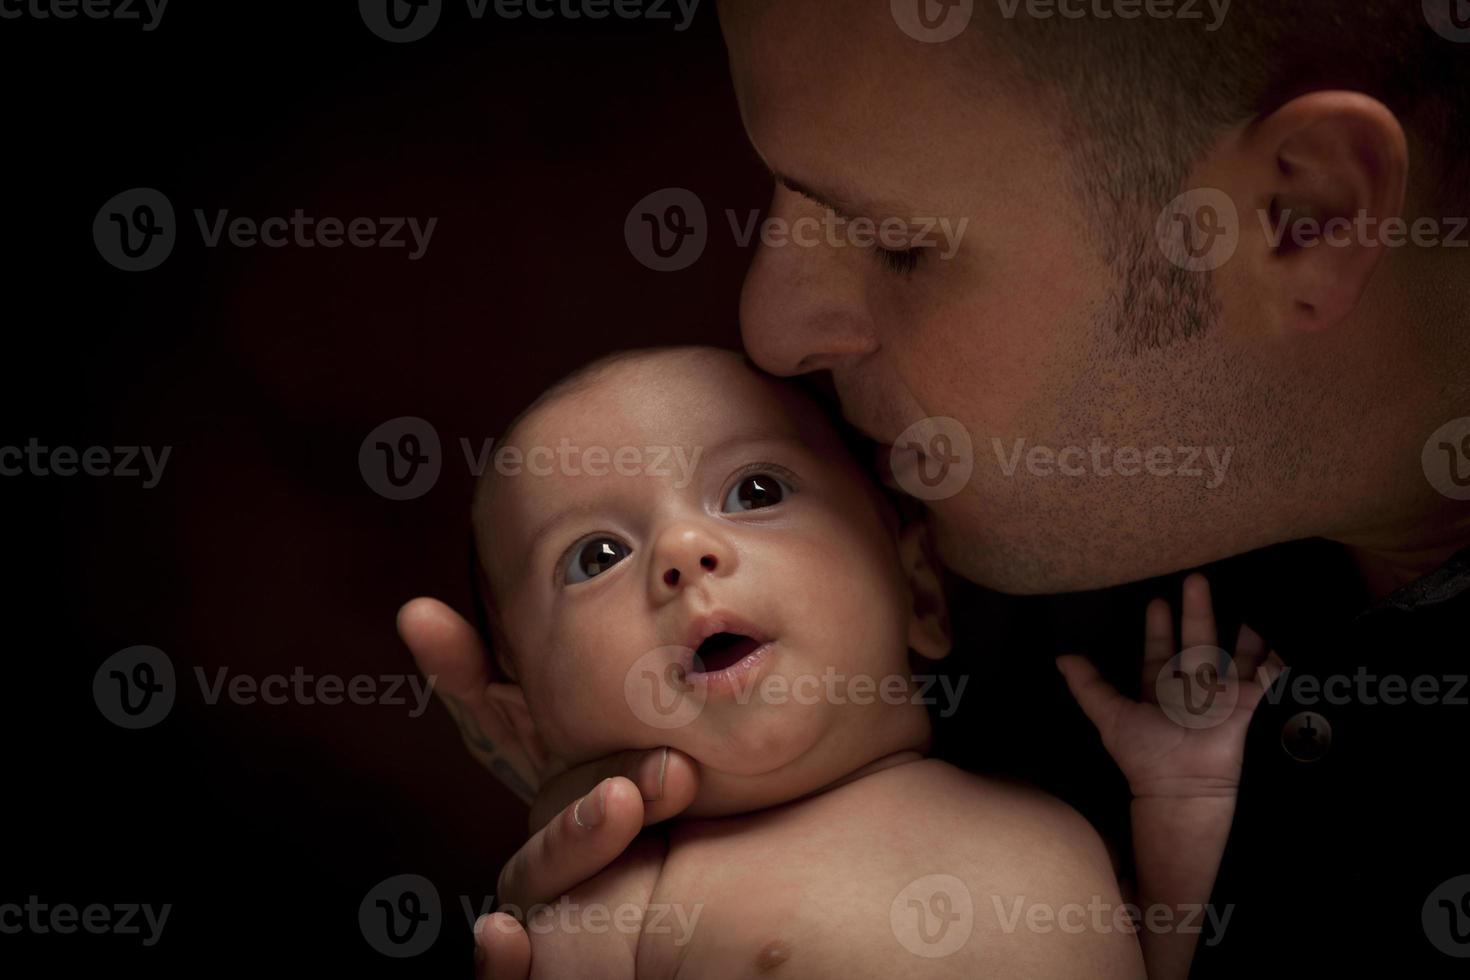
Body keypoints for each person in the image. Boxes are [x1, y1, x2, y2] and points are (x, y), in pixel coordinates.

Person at [402, 1, 1470, 974]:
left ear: (1306, 214)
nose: (767, 329)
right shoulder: (994, 561)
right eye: (596, 556)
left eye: (896, 240)